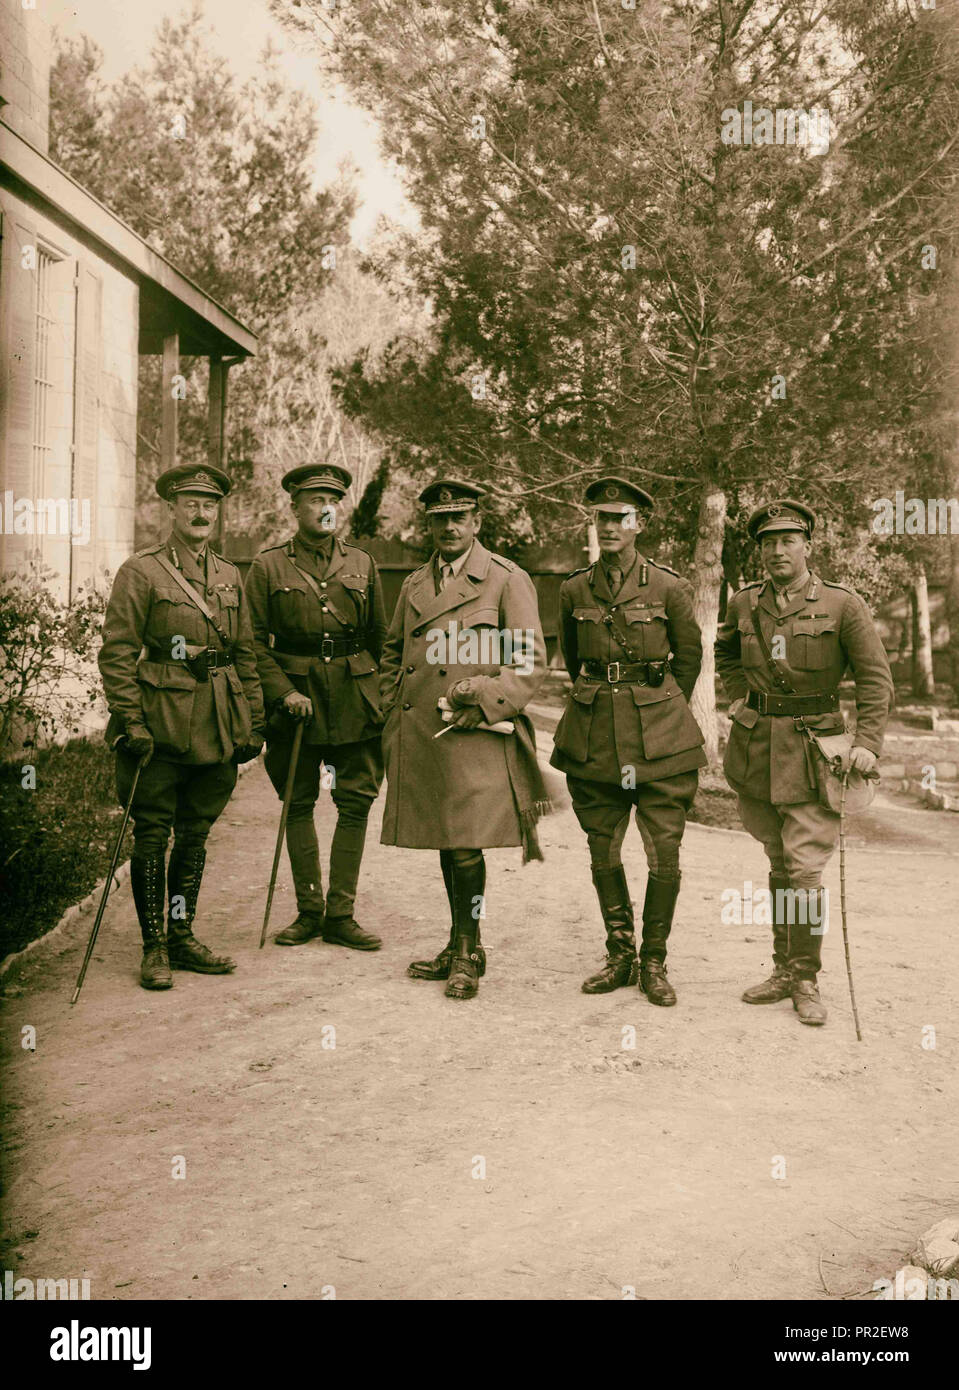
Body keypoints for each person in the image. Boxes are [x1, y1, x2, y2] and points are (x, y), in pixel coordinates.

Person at [715, 498, 894, 1026]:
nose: (776, 551)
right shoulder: (743, 604)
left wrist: (868, 742)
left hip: (818, 752)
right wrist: (736, 696)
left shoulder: (842, 604)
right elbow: (725, 653)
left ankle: (806, 977)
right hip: (758, 750)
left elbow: (875, 678)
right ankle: (782, 969)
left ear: (807, 547)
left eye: (787, 540)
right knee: (778, 864)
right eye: (767, 543)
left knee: (806, 871)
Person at [379, 479, 549, 1000]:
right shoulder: (412, 584)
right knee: (448, 843)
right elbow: (392, 655)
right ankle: (458, 942)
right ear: (428, 525)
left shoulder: (505, 579)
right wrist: (393, 708)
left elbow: (527, 661)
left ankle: (469, 949)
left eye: (459, 518)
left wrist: (486, 703)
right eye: (439, 519)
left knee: (465, 846)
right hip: (426, 733)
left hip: (475, 733)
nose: (449, 528)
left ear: (477, 523)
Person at [98, 463, 265, 990]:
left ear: (218, 512)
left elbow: (244, 654)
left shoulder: (229, 575)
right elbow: (119, 654)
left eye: (209, 505)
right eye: (190, 503)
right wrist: (131, 719)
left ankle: (182, 933)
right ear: (171, 508)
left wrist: (254, 722)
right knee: (152, 834)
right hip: (161, 724)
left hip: (217, 726)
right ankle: (154, 949)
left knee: (195, 835)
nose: (200, 513)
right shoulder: (142, 571)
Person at [551, 477, 706, 1005]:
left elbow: (689, 658)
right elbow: (574, 660)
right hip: (594, 737)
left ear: (639, 524)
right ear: (594, 525)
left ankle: (655, 960)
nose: (610, 527)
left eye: (620, 519)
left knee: (664, 852)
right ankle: (620, 953)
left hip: (661, 739)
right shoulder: (574, 588)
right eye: (602, 519)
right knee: (602, 847)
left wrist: (659, 703)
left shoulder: (668, 587)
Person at [244, 464, 386, 951]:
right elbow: (251, 644)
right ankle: (309, 911)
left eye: (333, 500)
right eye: (314, 500)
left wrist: (379, 696)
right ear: (294, 507)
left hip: (355, 699)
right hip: (295, 703)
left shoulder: (363, 564)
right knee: (298, 802)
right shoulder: (267, 566)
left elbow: (380, 639)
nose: (326, 508)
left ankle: (341, 914)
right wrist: (283, 692)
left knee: (355, 803)